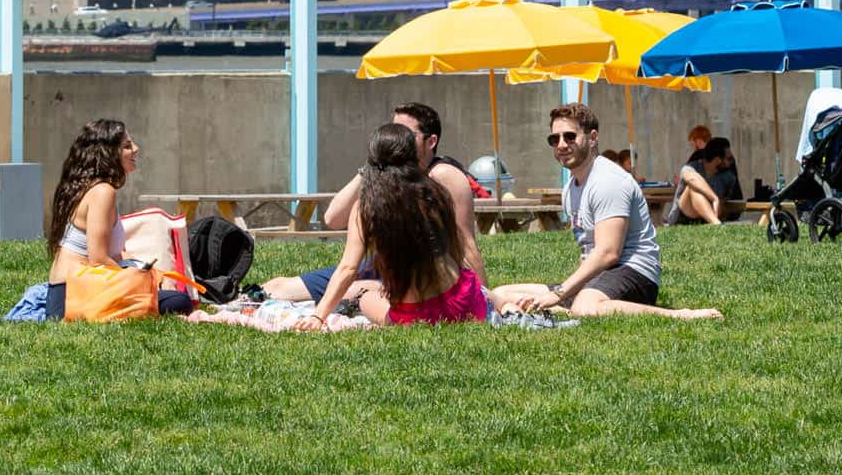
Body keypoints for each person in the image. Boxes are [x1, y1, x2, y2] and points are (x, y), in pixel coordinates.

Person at [493, 103, 721, 320]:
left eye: (570, 136)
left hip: (633, 272)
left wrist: (560, 293)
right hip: (599, 275)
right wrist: (572, 288)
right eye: (555, 139)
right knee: (500, 293)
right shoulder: (570, 188)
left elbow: (609, 252)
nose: (561, 144)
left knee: (584, 307)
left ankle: (678, 315)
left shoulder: (608, 180)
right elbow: (587, 251)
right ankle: (572, 306)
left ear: (592, 138)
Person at [263, 101, 486, 302]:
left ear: (431, 141)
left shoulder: (443, 175)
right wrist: (371, 167)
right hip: (380, 267)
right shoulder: (384, 177)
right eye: (394, 131)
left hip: (419, 278)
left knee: (357, 292)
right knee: (276, 288)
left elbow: (466, 243)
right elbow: (333, 219)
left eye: (406, 133)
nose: (398, 139)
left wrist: (483, 296)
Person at [292, 124, 488, 329]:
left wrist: (317, 317)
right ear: (414, 156)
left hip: (417, 317)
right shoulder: (435, 193)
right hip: (465, 303)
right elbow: (455, 251)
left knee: (364, 295)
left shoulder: (366, 209)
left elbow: (348, 269)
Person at [45, 118, 194, 321]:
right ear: (108, 153)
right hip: (75, 297)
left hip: (69, 293)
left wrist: (152, 273)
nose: (136, 149)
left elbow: (113, 254)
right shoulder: (102, 192)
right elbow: (99, 258)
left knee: (170, 296)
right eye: (127, 146)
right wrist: (147, 282)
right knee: (179, 301)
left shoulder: (87, 187)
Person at [668, 137, 742, 225]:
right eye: (728, 159)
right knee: (692, 188)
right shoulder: (692, 167)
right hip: (681, 218)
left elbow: (724, 203)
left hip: (706, 217)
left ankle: (715, 222)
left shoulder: (728, 177)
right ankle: (717, 225)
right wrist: (714, 198)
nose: (731, 162)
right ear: (718, 160)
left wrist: (719, 204)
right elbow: (691, 178)